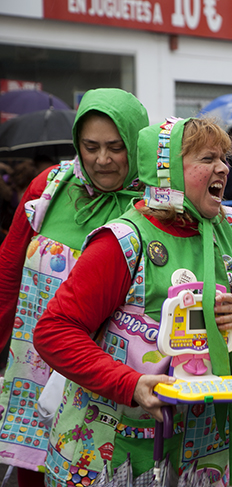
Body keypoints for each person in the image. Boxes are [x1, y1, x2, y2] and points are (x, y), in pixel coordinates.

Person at [33, 117, 232, 486]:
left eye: (224, 158)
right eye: (207, 158)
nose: (223, 168)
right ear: (168, 174)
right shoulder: (123, 241)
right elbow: (55, 332)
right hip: (112, 448)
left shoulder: (227, 226)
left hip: (200, 444)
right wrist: (129, 384)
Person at [0, 88, 149, 487]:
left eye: (116, 147)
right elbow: (8, 272)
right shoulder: (48, 189)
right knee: (32, 469)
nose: (102, 159)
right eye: (91, 146)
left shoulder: (156, 205)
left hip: (106, 376)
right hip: (35, 364)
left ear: (137, 143)